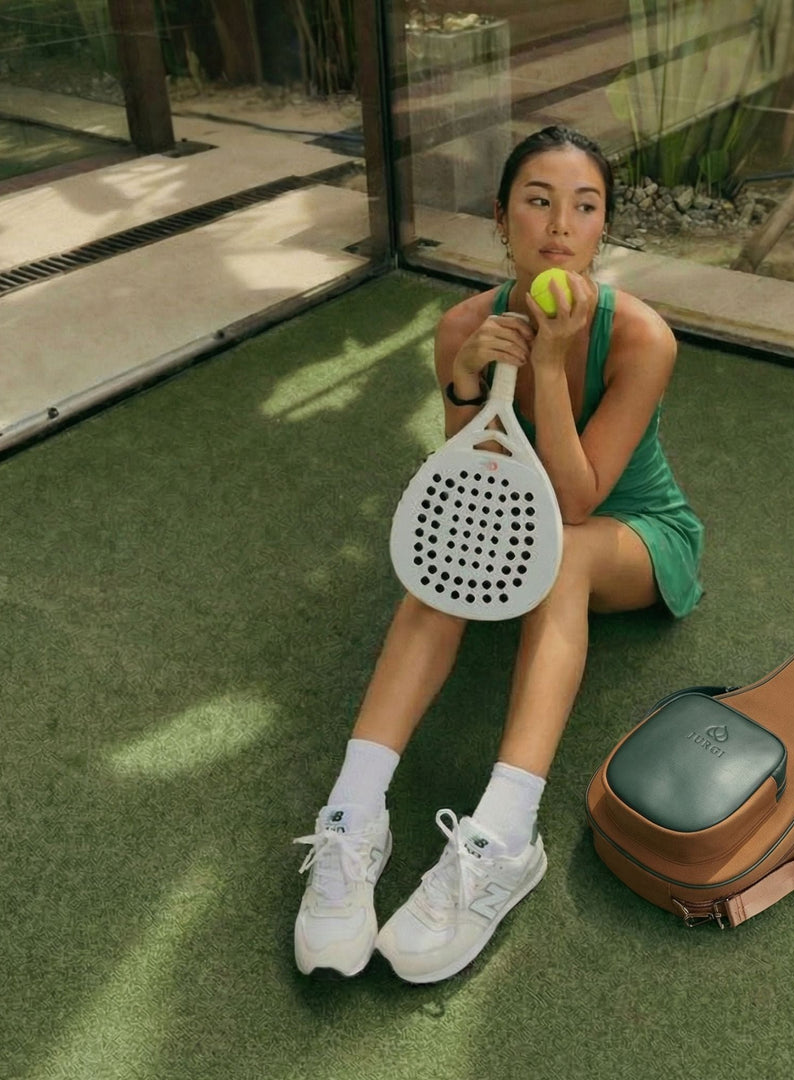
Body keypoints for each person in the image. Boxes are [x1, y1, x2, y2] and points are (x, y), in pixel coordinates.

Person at [293, 126, 704, 984]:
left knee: (565, 556)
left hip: (628, 532)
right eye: (538, 201)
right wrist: (467, 383)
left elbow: (578, 501)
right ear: (501, 217)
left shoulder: (643, 339)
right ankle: (353, 814)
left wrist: (547, 366)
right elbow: (473, 491)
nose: (560, 226)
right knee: (445, 562)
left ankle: (507, 835)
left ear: (602, 228)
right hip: (523, 517)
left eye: (584, 207)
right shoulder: (461, 328)